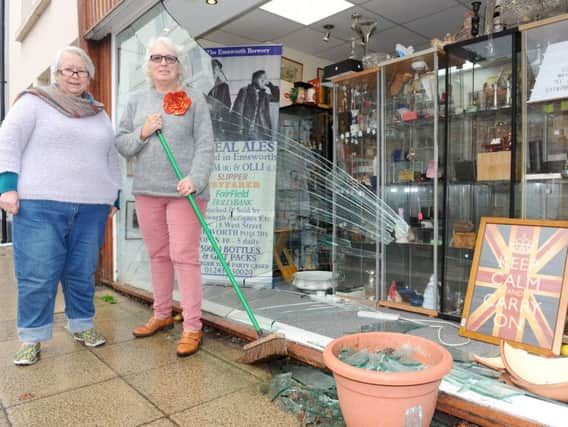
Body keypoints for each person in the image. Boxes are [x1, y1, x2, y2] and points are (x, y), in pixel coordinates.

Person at [0, 46, 121, 366]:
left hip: (92, 207)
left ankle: (81, 325)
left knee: (82, 272)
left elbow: (110, 154)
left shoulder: (99, 111)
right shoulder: (34, 102)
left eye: (81, 71)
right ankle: (31, 336)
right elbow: (8, 139)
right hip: (41, 204)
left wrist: (114, 195)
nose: (74, 76)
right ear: (56, 74)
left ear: (89, 77)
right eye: (67, 70)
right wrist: (7, 186)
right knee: (38, 274)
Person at [115, 37, 214, 357]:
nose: (163, 63)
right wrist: (143, 132)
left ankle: (192, 326)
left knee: (184, 256)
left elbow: (206, 144)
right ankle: (161, 314)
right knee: (158, 254)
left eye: (170, 58)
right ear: (148, 63)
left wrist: (196, 179)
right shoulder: (135, 100)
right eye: (157, 57)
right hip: (147, 190)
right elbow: (123, 144)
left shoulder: (195, 98)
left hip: (184, 192)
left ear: (179, 65)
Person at [232, 69, 279, 138]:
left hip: (262, 131)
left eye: (265, 79)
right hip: (247, 130)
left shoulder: (265, 95)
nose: (264, 81)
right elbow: (238, 110)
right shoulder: (245, 91)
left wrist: (271, 85)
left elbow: (277, 97)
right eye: (262, 78)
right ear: (254, 80)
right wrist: (239, 128)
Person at [207, 59, 232, 139]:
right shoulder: (202, 85)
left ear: (219, 71)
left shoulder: (224, 86)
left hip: (219, 121)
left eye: (217, 69)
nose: (214, 71)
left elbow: (228, 104)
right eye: (212, 68)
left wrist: (222, 117)